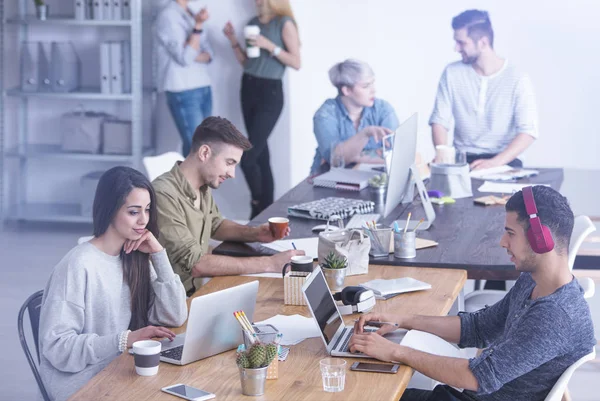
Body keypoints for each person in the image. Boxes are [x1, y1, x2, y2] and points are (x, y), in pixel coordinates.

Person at [350, 185, 596, 401]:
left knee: (361, 391)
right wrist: (403, 320)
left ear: (541, 239)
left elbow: (477, 377)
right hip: (464, 395)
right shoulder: (533, 282)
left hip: (471, 394)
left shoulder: (555, 316)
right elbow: (480, 328)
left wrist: (395, 351)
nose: (502, 242)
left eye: (510, 233)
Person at [38, 167, 188, 401]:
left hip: (120, 368)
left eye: (147, 210)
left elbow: (174, 316)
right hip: (82, 383)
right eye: (133, 212)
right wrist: (123, 340)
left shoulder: (133, 255)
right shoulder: (77, 265)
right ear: (109, 210)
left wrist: (159, 255)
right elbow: (57, 347)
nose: (144, 220)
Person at [153, 116, 304, 295]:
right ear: (204, 153)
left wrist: (255, 233)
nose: (232, 173)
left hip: (201, 291)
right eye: (229, 162)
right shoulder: (163, 194)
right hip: (175, 304)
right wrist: (270, 264)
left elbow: (215, 225)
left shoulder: (202, 185)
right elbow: (196, 264)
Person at [429, 10, 539, 170]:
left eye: (462, 43)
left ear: (483, 42)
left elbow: (528, 132)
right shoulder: (451, 73)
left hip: (504, 161)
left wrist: (494, 163)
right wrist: (443, 156)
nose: (456, 48)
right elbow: (439, 120)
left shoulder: (518, 78)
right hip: (463, 160)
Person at [223, 0, 301, 219]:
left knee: (248, 155)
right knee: (261, 153)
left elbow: (296, 62)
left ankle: (258, 206)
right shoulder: (252, 23)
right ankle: (266, 214)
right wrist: (232, 41)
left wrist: (269, 45)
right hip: (248, 86)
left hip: (270, 93)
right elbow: (249, 63)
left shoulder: (284, 23)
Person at [311, 59, 399, 176]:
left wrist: (351, 155)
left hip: (370, 178)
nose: (373, 90)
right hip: (328, 180)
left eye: (372, 83)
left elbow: (396, 154)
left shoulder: (383, 109)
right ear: (346, 90)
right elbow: (335, 160)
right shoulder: (325, 114)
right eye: (366, 86)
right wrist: (365, 134)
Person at [155, 0, 214, 157]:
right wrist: (198, 27)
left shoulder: (193, 13)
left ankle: (194, 182)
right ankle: (188, 182)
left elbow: (209, 54)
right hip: (183, 89)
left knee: (205, 147)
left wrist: (192, 46)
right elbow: (186, 57)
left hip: (202, 85)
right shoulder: (168, 16)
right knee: (196, 149)